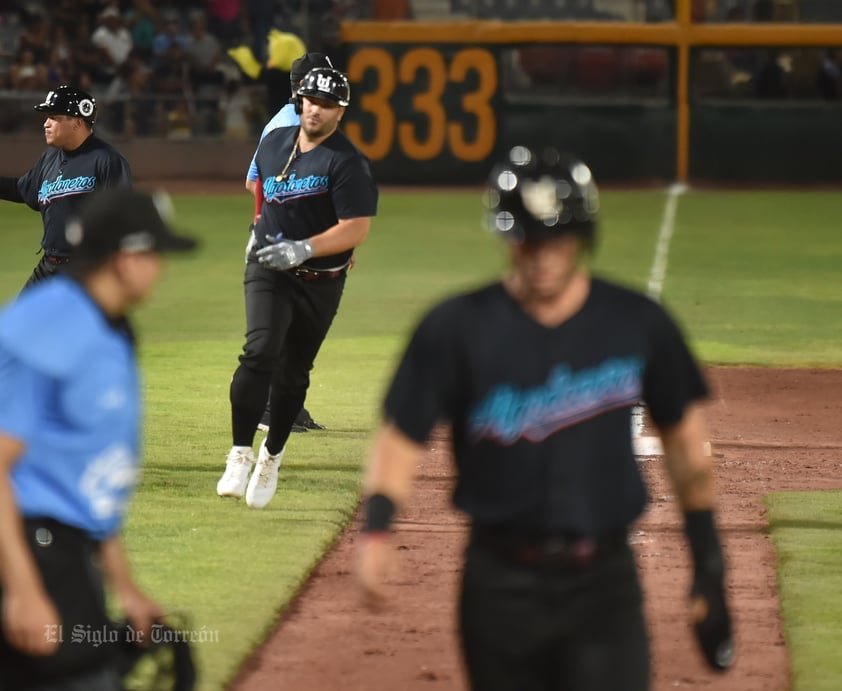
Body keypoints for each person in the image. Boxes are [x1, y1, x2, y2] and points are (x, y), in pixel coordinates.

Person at [355, 147, 734, 690]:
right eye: (526, 239)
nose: (540, 256)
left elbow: (687, 446)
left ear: (582, 237)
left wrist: (709, 564)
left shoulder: (637, 323)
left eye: (555, 239)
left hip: (604, 586)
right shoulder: (456, 328)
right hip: (497, 584)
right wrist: (376, 530)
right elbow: (401, 438)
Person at [0, 188, 198, 691]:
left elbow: (86, 484)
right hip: (26, 553)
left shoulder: (108, 329)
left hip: (63, 552)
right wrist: (22, 590)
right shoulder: (50, 324)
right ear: (125, 259)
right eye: (154, 254)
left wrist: (125, 589)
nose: (161, 268)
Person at [216, 66, 378, 509]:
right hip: (270, 268)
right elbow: (261, 191)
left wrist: (305, 247)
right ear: (299, 100)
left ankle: (271, 457)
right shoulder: (272, 144)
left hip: (321, 281)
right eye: (310, 100)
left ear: (340, 111)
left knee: (293, 374)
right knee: (260, 350)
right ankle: (240, 452)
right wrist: (259, 231)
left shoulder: (347, 162)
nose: (315, 109)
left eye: (326, 104)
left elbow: (356, 228)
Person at [245, 51, 336, 435]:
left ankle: (289, 405)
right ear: (303, 86)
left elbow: (254, 180)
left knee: (298, 325)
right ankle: (268, 408)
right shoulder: (288, 125)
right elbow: (256, 183)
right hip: (279, 239)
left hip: (296, 238)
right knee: (282, 325)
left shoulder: (294, 121)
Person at [0, 85, 132, 289]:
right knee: (19, 320)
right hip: (49, 267)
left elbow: (122, 215)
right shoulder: (50, 157)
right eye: (47, 117)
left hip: (86, 269)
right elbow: (22, 189)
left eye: (54, 117)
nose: (46, 124)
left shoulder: (106, 160)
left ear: (78, 122)